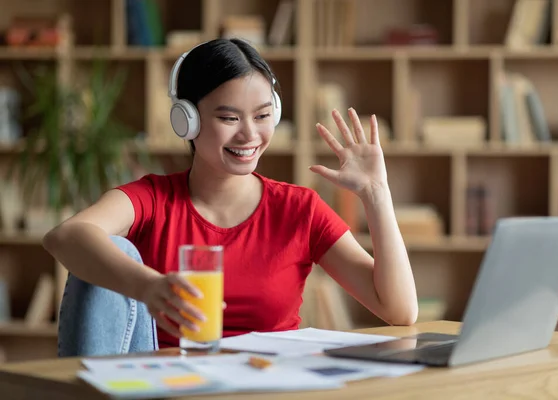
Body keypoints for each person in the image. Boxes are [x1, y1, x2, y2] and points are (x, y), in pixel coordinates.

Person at [43, 38, 418, 352]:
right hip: (167, 383)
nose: (249, 136)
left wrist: (376, 193)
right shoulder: (153, 199)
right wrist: (149, 287)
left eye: (262, 115)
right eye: (229, 118)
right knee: (109, 251)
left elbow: (399, 311)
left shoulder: (299, 209)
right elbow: (65, 236)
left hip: (265, 384)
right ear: (186, 119)